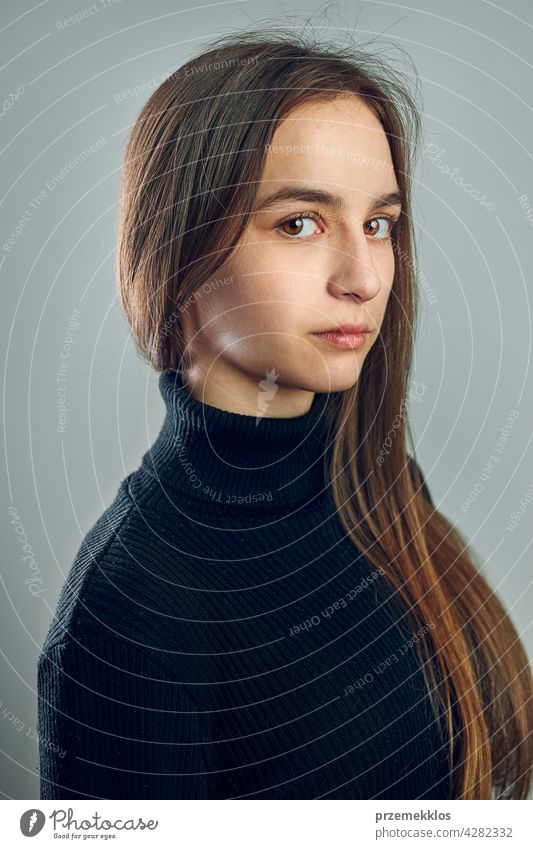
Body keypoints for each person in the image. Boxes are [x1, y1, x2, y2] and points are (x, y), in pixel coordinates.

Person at [37, 27, 532, 800]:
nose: (364, 277)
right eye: (299, 222)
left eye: (379, 224)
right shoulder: (131, 607)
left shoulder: (372, 481)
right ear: (179, 250)